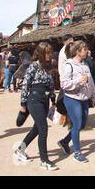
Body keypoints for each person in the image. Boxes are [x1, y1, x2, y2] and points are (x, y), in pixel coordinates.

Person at [14, 42, 58, 170]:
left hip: (44, 100)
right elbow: (26, 85)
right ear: (40, 53)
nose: (49, 55)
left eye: (50, 52)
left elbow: (50, 84)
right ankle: (44, 160)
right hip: (34, 99)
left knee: (37, 129)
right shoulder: (33, 66)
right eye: (47, 53)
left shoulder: (47, 66)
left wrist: (53, 100)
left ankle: (20, 150)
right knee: (43, 128)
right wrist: (23, 104)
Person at [57, 40, 95, 163]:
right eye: (84, 49)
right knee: (77, 123)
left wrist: (93, 96)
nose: (87, 51)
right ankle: (77, 152)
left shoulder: (85, 65)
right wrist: (78, 81)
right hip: (72, 98)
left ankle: (64, 141)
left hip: (84, 98)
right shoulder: (69, 66)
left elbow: (91, 82)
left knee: (82, 124)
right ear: (78, 52)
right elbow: (64, 84)